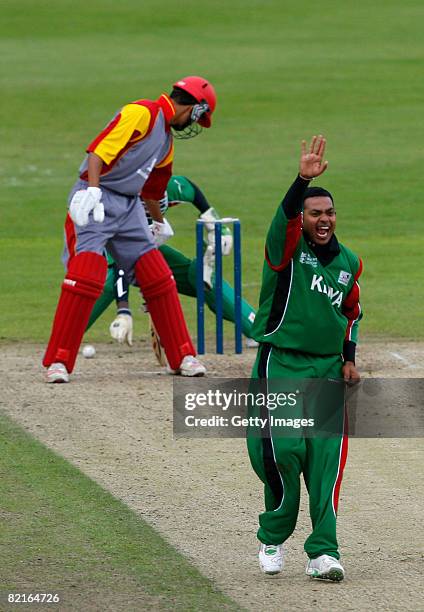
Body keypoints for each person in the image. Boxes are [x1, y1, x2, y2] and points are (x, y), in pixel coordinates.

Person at [43, 76, 216, 382]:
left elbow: (151, 191)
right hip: (95, 196)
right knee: (86, 274)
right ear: (195, 106)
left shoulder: (166, 142)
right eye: (199, 115)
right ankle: (58, 362)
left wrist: (159, 223)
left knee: (158, 275)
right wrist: (93, 192)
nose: (195, 122)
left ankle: (182, 356)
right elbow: (97, 153)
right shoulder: (142, 113)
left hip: (130, 206)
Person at [247, 135, 362, 581]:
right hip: (281, 363)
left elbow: (352, 312)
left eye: (329, 213)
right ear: (305, 217)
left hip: (326, 370)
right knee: (283, 454)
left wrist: (349, 357)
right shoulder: (287, 252)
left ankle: (323, 553)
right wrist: (302, 180)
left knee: (325, 462)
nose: (324, 220)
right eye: (315, 213)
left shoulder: (349, 262)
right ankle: (273, 536)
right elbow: (283, 223)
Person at [85, 175, 258, 353]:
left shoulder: (165, 186)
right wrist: (124, 310)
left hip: (150, 247)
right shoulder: (118, 209)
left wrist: (217, 226)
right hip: (117, 244)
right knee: (108, 282)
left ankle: (257, 329)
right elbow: (120, 267)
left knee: (200, 276)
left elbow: (191, 190)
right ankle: (69, 338)